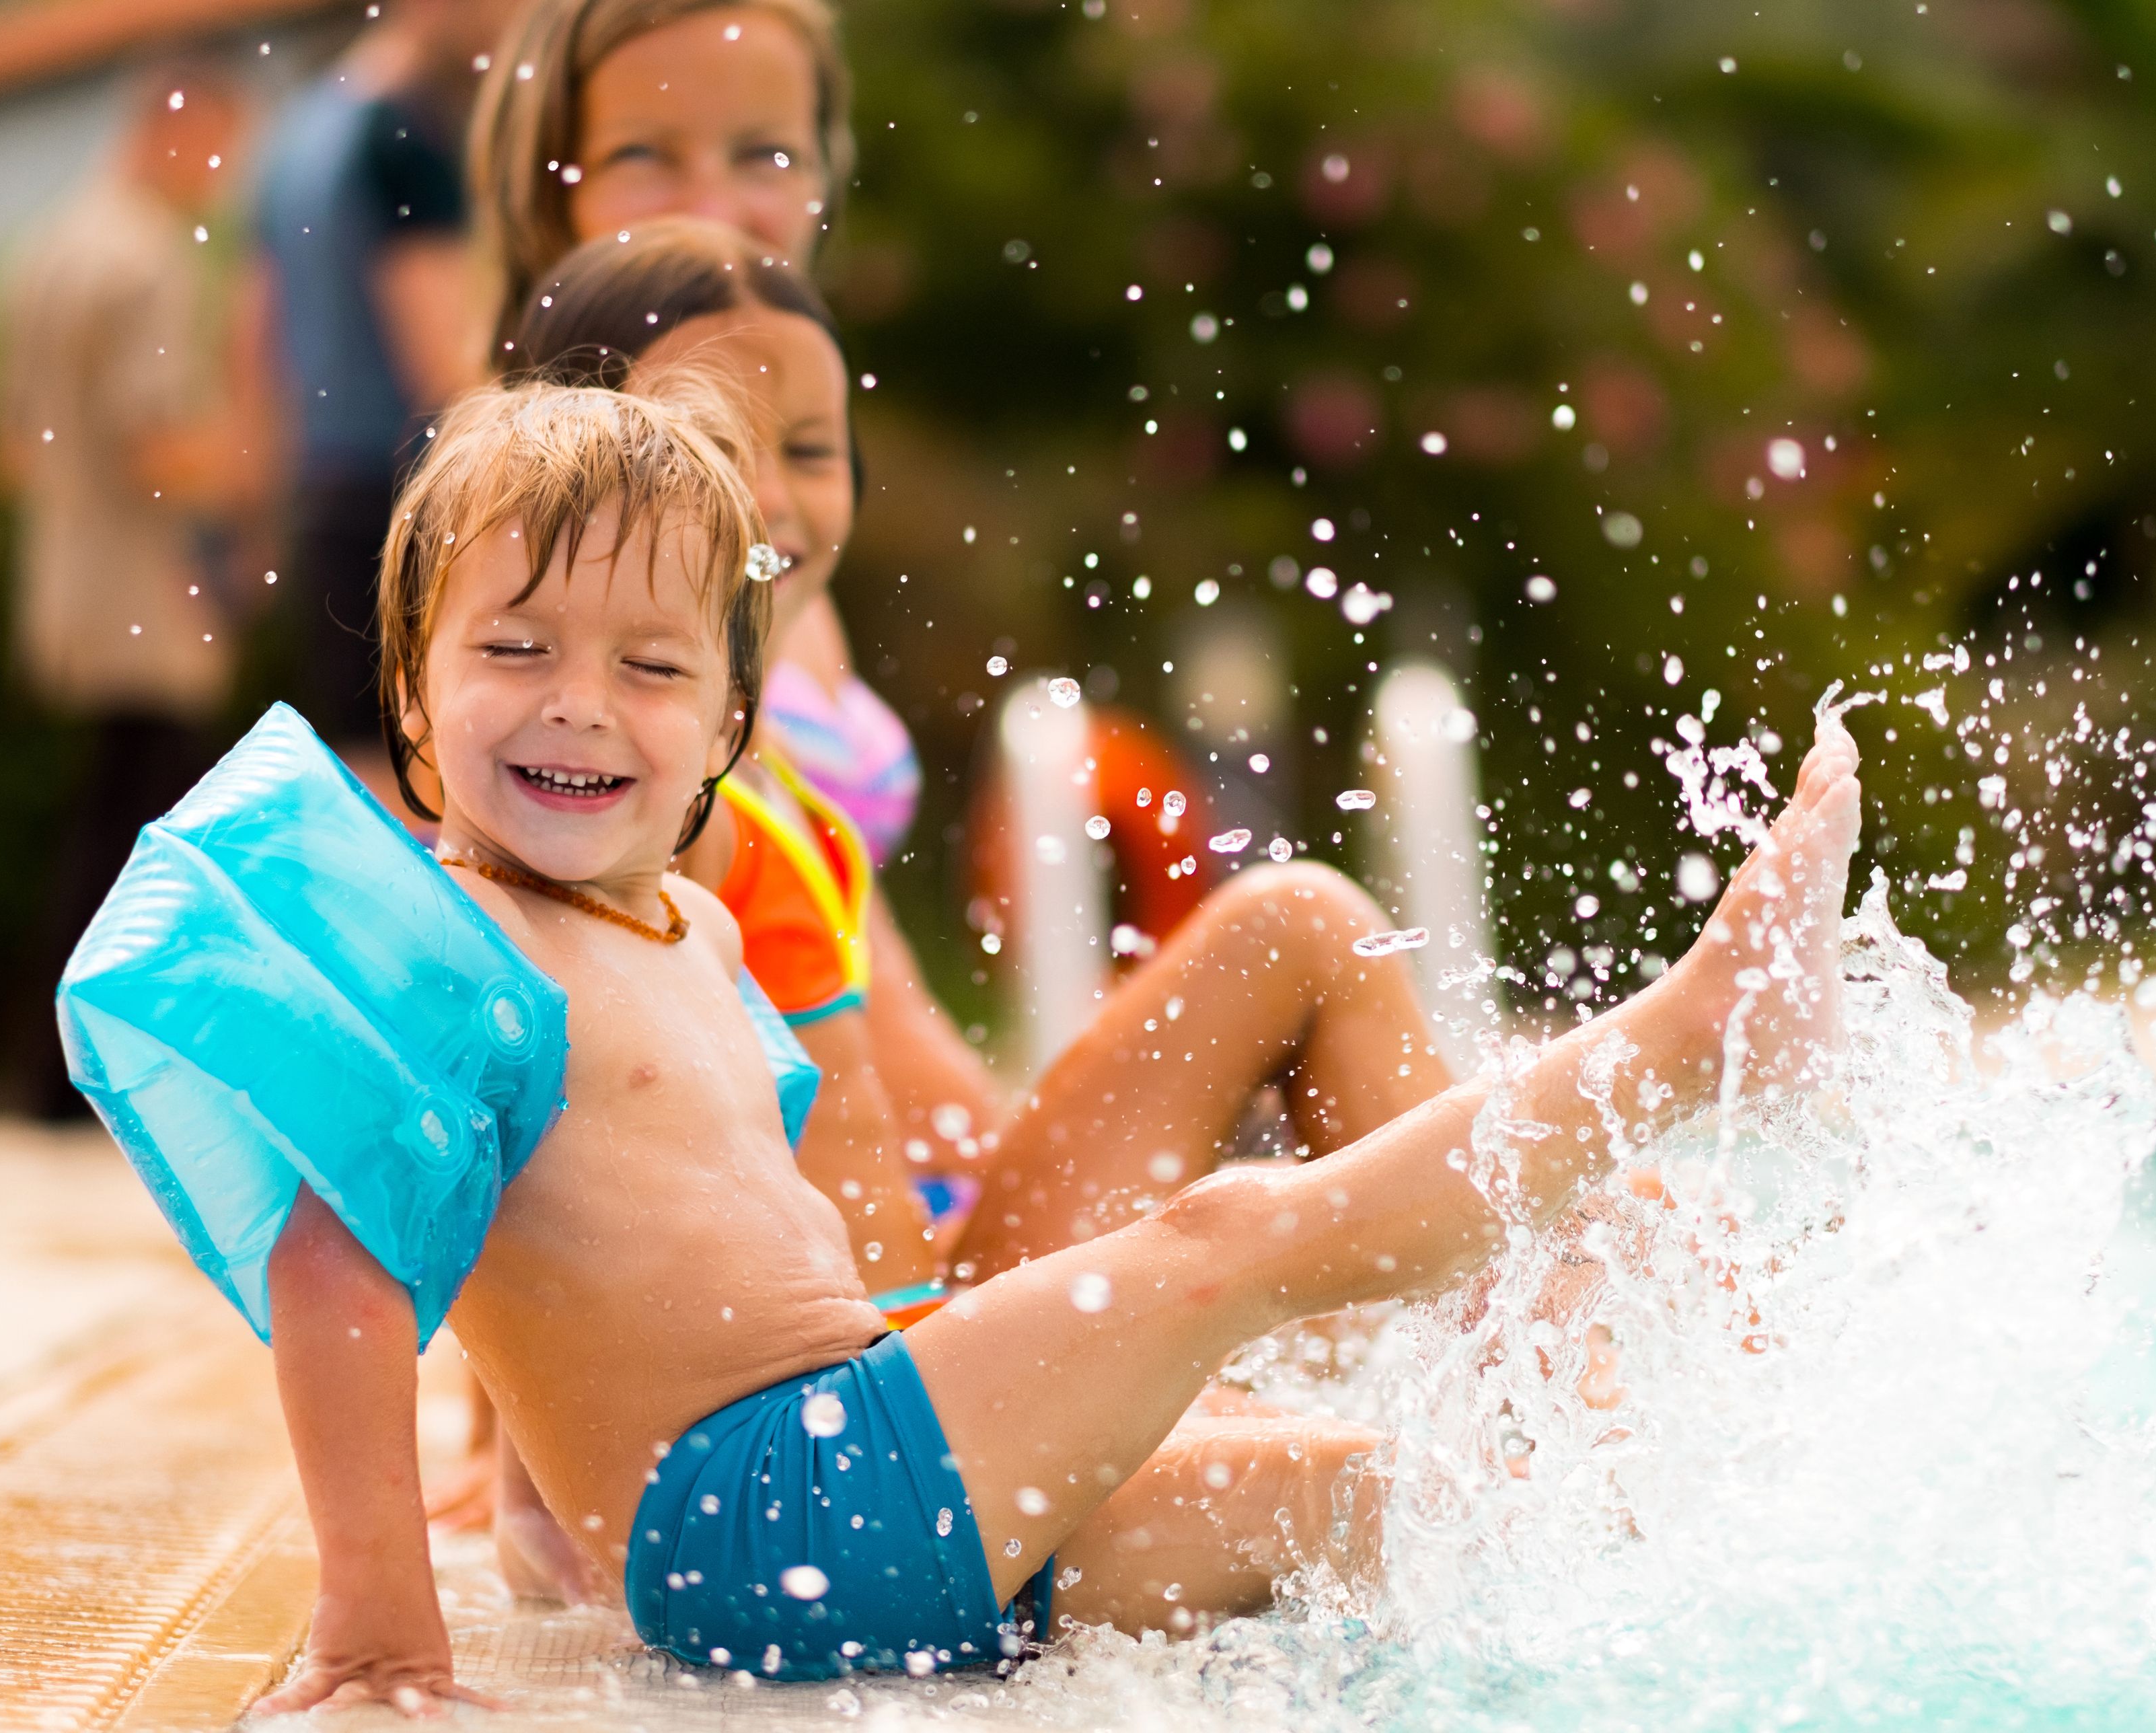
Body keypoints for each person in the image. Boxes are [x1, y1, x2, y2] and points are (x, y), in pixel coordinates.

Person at [241, 375, 1863, 1708]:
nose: (580, 703)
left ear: (727, 727)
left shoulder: (685, 927)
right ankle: (1699, 1036)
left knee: (1370, 1495)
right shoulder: (448, 951)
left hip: (847, 1478)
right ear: (409, 685)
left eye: (650, 667)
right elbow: (343, 1255)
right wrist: (381, 1618)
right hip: (762, 1509)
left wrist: (544, 1514)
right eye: (514, 650)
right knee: (1220, 1243)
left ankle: (1790, 1581)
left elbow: (596, 1264)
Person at [504, 224, 1452, 1298]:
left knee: (1303, 929)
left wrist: (1012, 1156)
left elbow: (879, 1006)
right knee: (1301, 929)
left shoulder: (760, 722)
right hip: (884, 1359)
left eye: (811, 451)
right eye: (719, 444)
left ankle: (1532, 1347)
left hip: (949, 1253)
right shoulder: (619, 786)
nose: (771, 494)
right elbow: (548, 1154)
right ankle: (1538, 1361)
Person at [470, 0, 922, 860]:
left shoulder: (787, 502)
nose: (712, 207)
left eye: (766, 155)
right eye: (643, 153)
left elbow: (845, 949)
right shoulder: (519, 508)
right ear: (546, 191)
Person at [0, 62, 270, 1118]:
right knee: (146, 847)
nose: (224, 179)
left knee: (100, 829)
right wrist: (253, 465)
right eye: (224, 149)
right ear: (180, 129)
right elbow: (159, 446)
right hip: (149, 591)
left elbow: (10, 448)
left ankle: (48, 1080)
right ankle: (101, 1083)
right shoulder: (150, 257)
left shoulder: (48, 248)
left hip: (67, 586)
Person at [248, 0, 523, 788]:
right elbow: (443, 365)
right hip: (409, 496)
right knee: (434, 789)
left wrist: (263, 510)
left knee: (368, 782)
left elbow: (255, 342)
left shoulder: (295, 133)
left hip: (325, 499)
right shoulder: (403, 139)